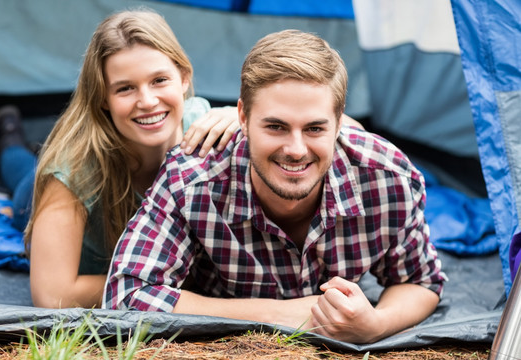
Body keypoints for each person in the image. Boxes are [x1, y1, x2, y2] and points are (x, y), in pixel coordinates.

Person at [104, 29, 446, 344]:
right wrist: (286, 314)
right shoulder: (191, 181)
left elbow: (419, 281)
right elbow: (127, 294)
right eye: (276, 127)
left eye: (314, 128)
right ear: (242, 118)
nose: (296, 150)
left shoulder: (388, 178)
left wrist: (376, 324)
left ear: (339, 122)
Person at [21, 9, 239, 309]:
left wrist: (243, 119)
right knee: (19, 173)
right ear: (102, 98)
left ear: (184, 78)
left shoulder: (209, 129)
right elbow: (52, 294)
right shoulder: (73, 171)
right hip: (34, 186)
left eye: (159, 80)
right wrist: (150, 286)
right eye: (125, 88)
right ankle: (9, 141)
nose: (147, 101)